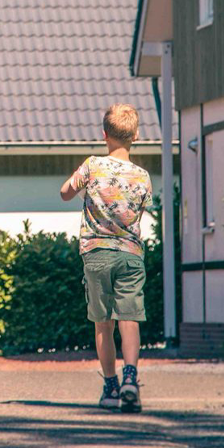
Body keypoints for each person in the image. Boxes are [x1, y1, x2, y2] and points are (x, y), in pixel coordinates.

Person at [59, 103, 152, 413]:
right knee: (130, 317)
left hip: (96, 252)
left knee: (103, 323)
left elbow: (65, 192)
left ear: (104, 134)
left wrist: (79, 184)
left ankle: (110, 386)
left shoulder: (92, 165)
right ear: (135, 136)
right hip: (130, 254)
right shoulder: (142, 176)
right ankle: (131, 378)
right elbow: (139, 210)